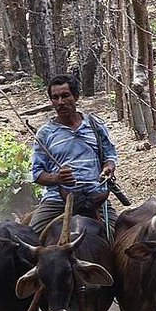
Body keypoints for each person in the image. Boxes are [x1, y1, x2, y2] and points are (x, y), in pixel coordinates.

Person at [29, 74, 120, 237]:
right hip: (58, 201)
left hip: (95, 197)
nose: (60, 102)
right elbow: (36, 174)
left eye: (65, 96)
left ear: (76, 97)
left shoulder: (95, 125)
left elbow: (109, 156)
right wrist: (57, 178)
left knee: (120, 238)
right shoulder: (45, 133)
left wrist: (108, 168)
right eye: (55, 98)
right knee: (31, 238)